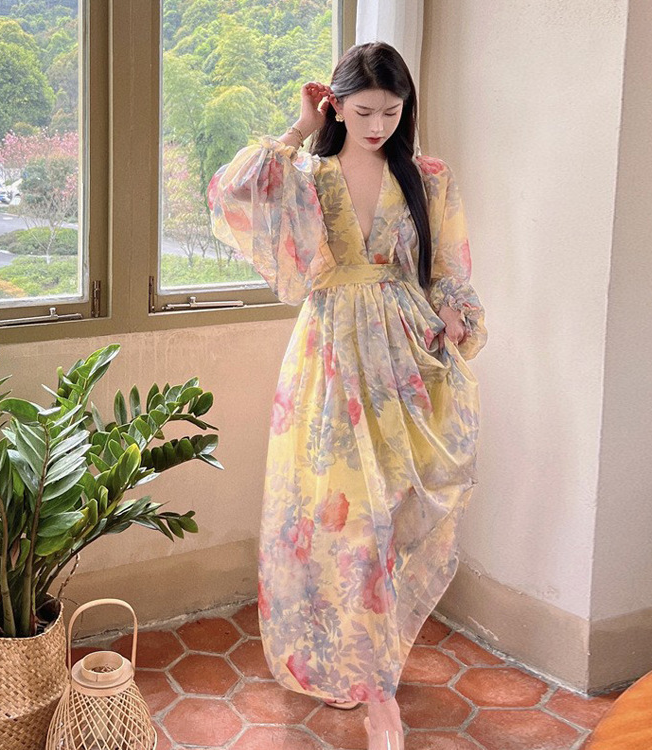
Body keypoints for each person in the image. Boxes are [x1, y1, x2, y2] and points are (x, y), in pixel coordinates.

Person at [207, 41, 487, 750]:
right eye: (362, 112)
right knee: (336, 518)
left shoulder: (428, 177)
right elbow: (233, 190)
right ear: (337, 106)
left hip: (405, 359)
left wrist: (453, 314)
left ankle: (373, 669)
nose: (378, 125)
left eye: (391, 112)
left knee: (387, 519)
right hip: (329, 356)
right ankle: (362, 682)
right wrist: (300, 127)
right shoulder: (309, 175)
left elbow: (449, 271)